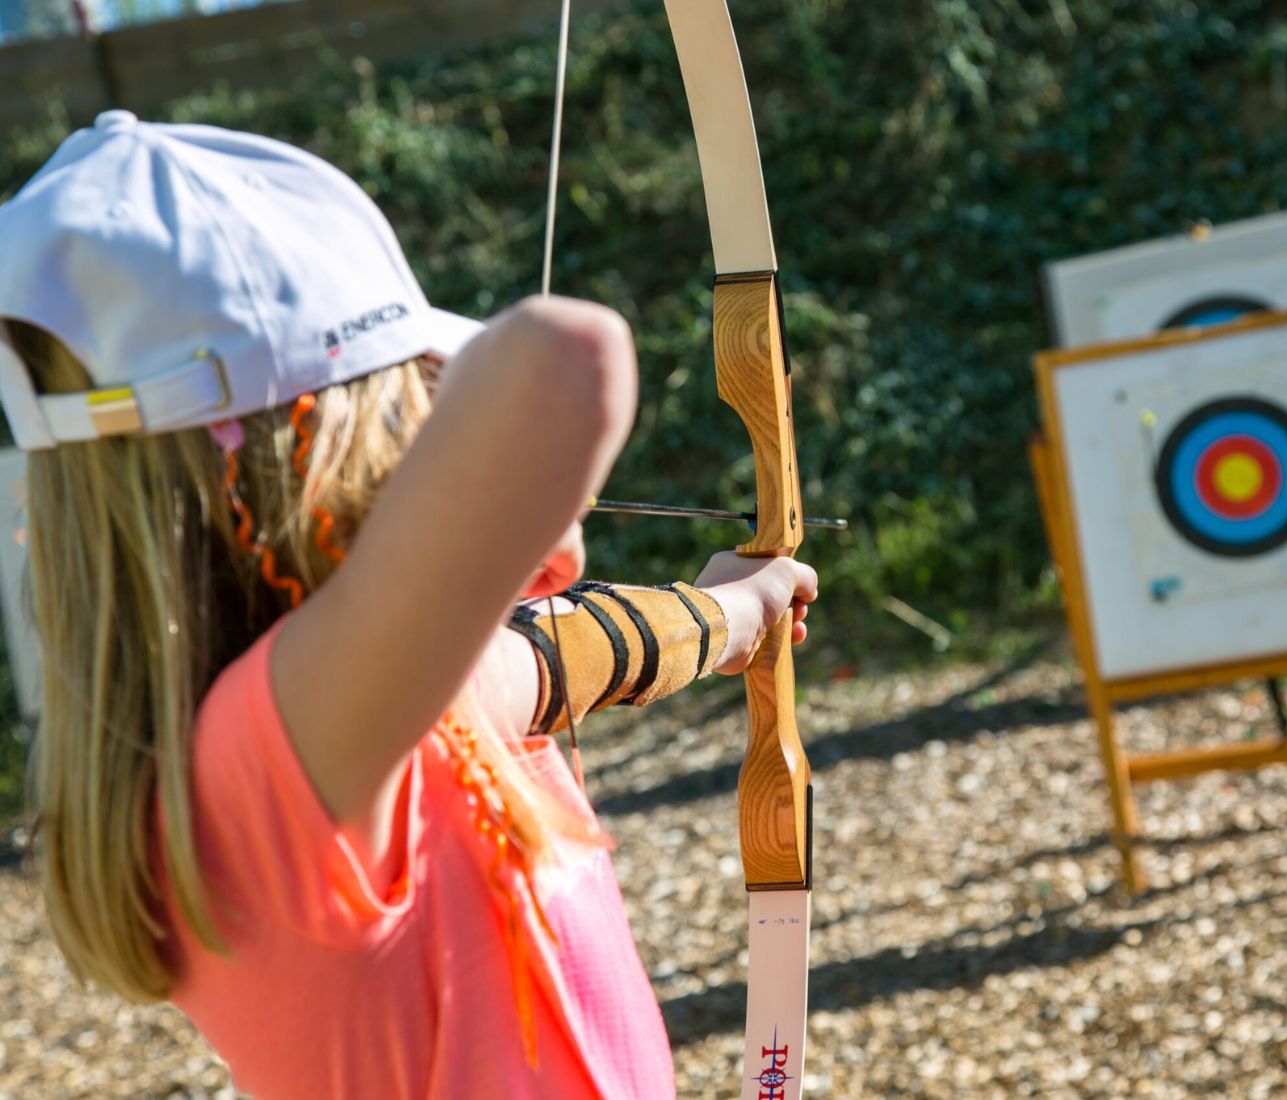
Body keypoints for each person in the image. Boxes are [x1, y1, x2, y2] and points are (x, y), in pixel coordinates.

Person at [0, 111, 818, 1099]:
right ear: (313, 440)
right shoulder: (267, 763)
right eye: (403, 393)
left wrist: (734, 610)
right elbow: (570, 356)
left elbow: (553, 658)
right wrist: (514, 507)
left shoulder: (338, 733)